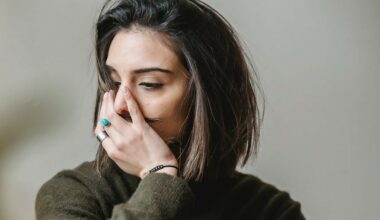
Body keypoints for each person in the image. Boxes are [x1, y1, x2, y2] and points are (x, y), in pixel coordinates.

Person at [35, 0, 305, 219]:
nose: (120, 105)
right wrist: (159, 177)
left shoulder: (271, 210)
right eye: (115, 82)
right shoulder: (74, 193)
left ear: (207, 95)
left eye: (149, 84)